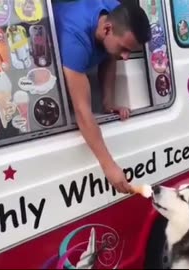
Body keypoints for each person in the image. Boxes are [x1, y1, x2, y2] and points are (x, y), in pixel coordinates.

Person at [52, 0, 151, 194]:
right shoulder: (74, 40)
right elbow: (82, 112)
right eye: (124, 48)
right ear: (106, 29)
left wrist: (108, 102)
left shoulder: (114, 11)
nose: (126, 57)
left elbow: (109, 55)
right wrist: (109, 166)